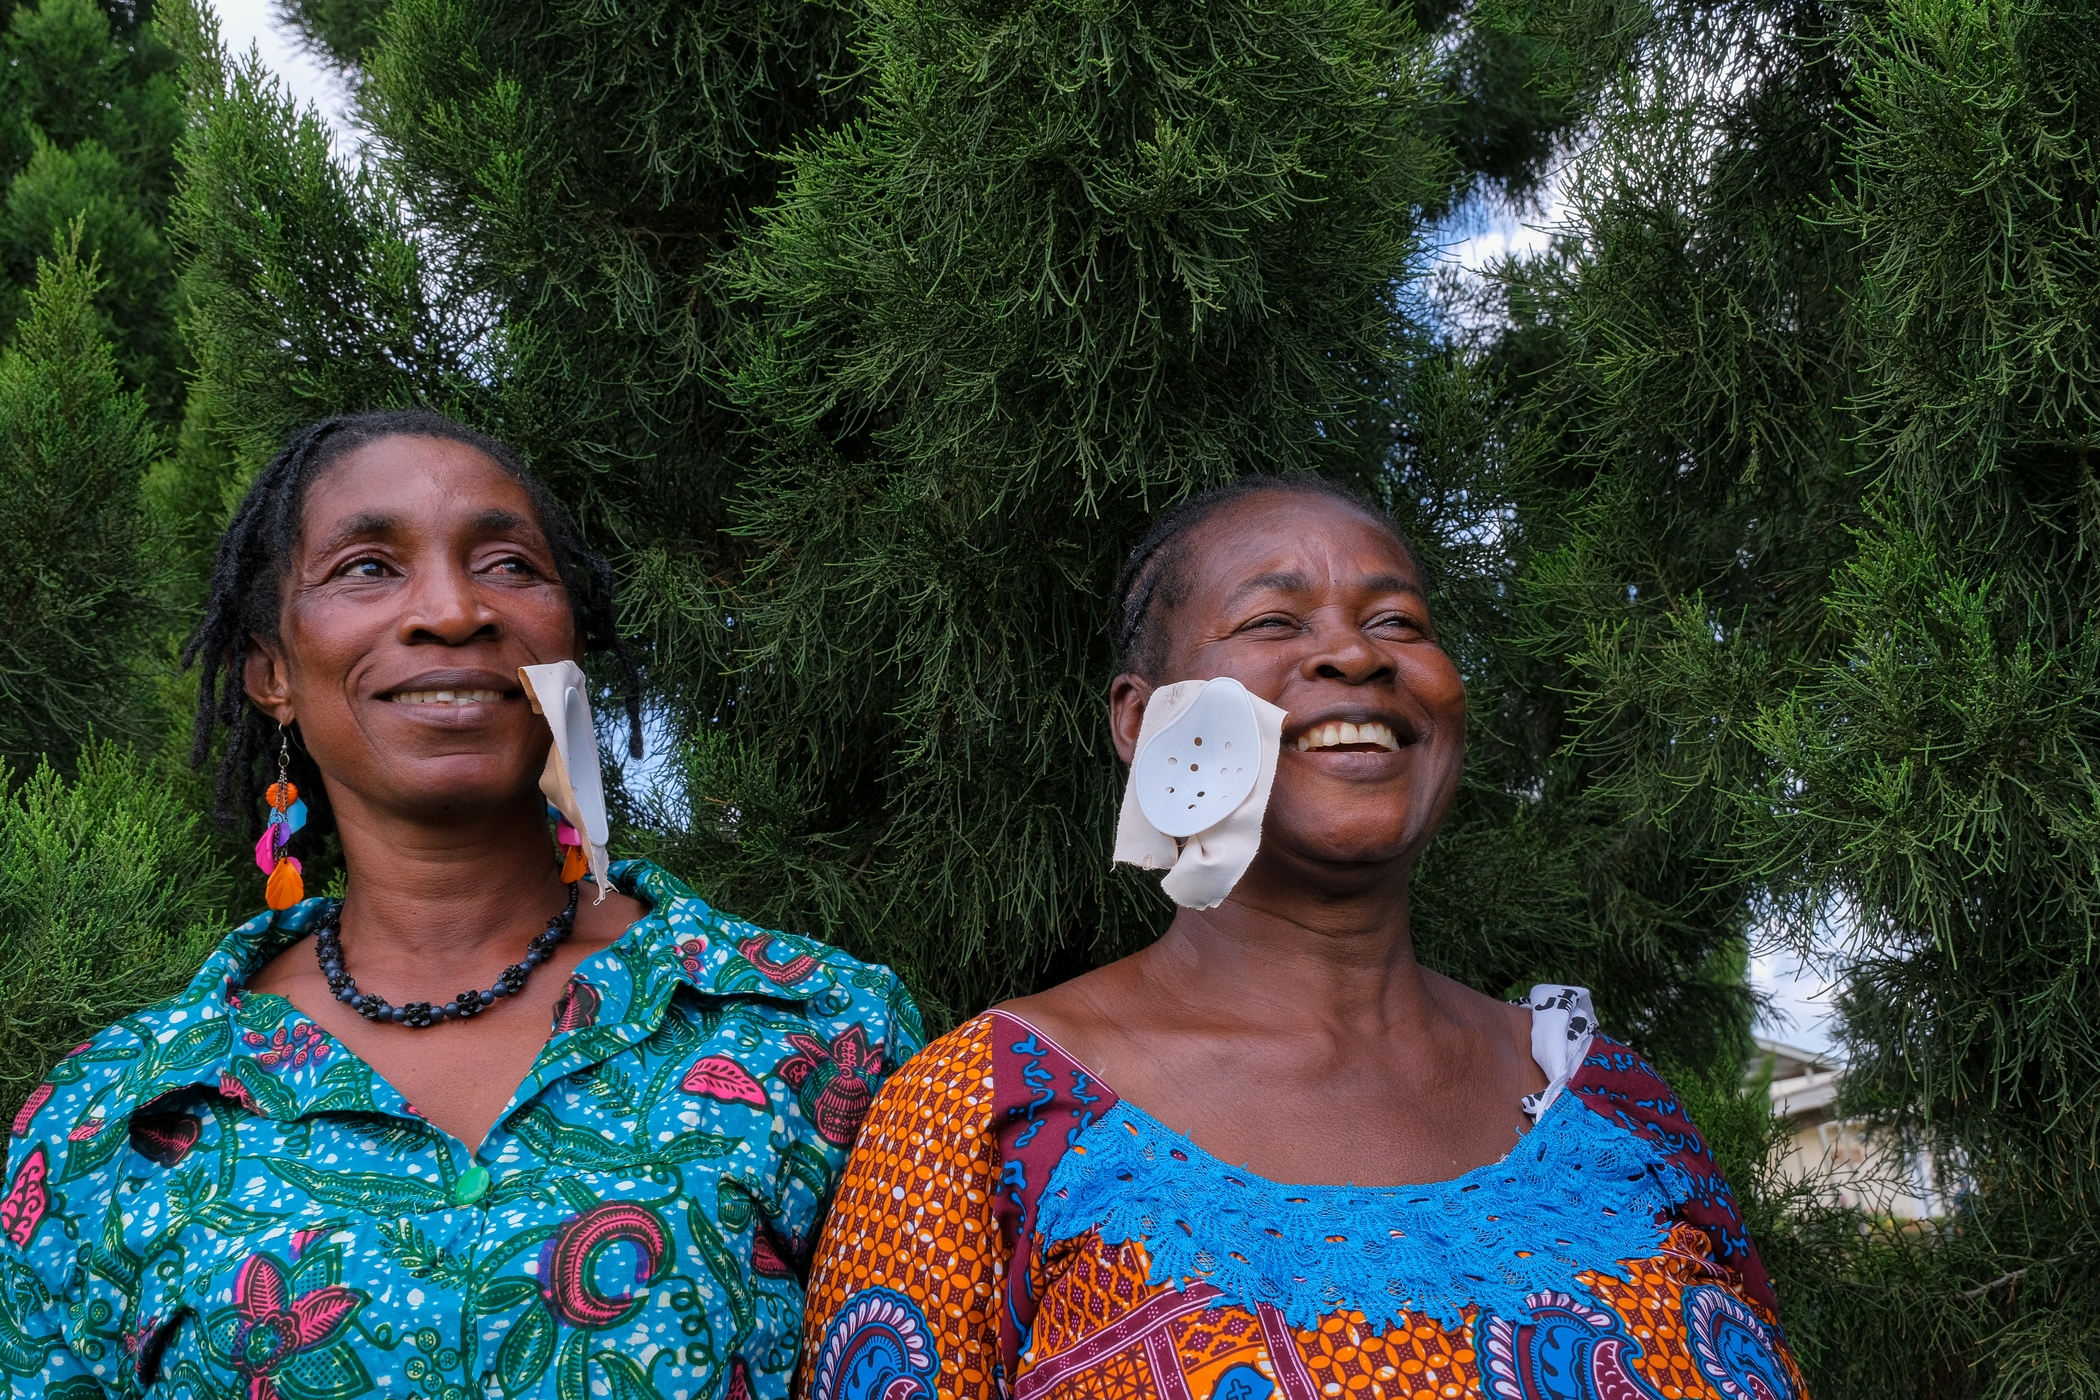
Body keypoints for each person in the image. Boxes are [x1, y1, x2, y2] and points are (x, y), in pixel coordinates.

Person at [796, 476, 1805, 1400]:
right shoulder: (985, 1115)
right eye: (1273, 619)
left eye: (1398, 621)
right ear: (1140, 721)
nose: (1358, 655)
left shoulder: (1616, 1103)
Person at [0, 411, 921, 1400]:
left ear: (568, 648)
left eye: (509, 565)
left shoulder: (821, 1030)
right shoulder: (107, 1121)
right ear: (272, 673)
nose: (451, 609)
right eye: (366, 567)